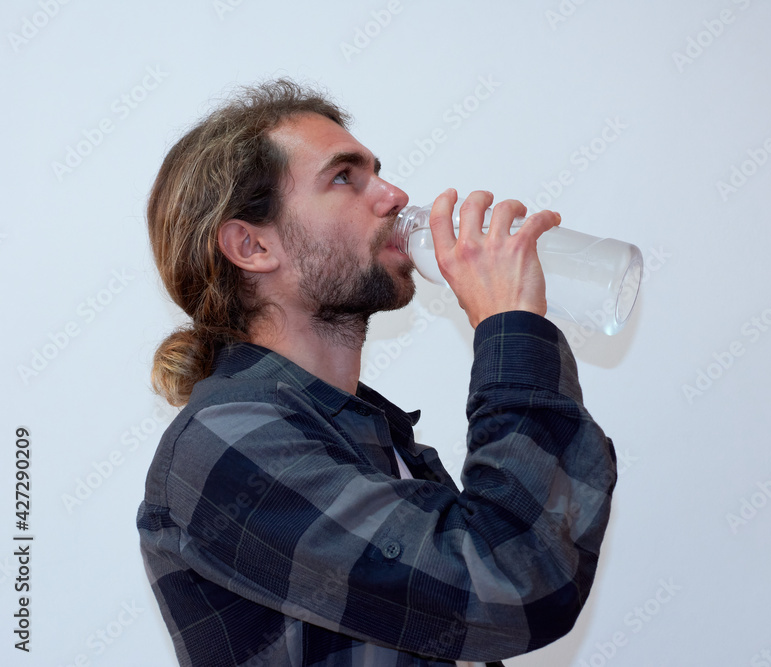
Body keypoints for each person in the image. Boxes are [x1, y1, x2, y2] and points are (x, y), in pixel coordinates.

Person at [136, 78, 617, 667]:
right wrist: (510, 326)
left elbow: (529, 568)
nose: (394, 196)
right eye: (344, 177)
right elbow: (514, 580)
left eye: (377, 173)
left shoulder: (364, 436)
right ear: (252, 246)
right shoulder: (229, 440)